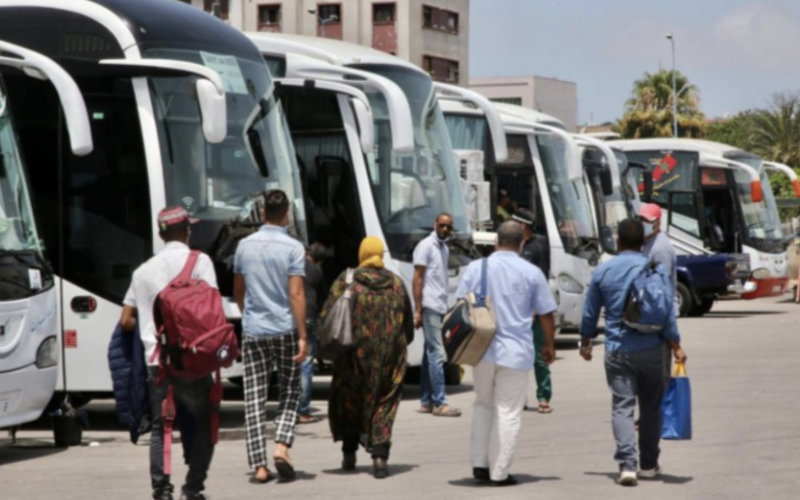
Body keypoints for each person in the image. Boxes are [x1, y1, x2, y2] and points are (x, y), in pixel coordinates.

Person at [579, 218, 687, 486]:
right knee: (651, 408)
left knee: (622, 407)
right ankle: (649, 465)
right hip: (653, 349)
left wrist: (585, 341)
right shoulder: (655, 270)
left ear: (618, 241)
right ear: (643, 242)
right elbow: (667, 314)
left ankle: (627, 465)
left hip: (618, 349)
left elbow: (590, 312)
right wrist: (676, 345)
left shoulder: (604, 271)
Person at [119, 206, 217, 500]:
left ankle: (162, 489)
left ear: (161, 234)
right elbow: (210, 310)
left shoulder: (141, 272)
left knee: (162, 426)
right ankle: (194, 486)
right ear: (187, 230)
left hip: (157, 362)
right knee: (203, 421)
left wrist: (151, 326)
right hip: (194, 360)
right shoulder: (200, 262)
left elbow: (125, 321)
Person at [456, 221, 558, 486]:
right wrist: (549, 345)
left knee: (482, 404)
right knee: (508, 411)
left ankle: (479, 464)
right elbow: (546, 313)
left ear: (495, 241)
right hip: (515, 352)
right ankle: (499, 472)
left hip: (480, 349)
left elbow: (459, 304)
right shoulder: (531, 272)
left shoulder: (475, 268)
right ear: (521, 242)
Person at [319, 236, 413, 479]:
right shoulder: (396, 284)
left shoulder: (347, 280)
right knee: (385, 403)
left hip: (353, 357)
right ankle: (380, 458)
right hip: (390, 358)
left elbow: (327, 315)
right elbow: (408, 327)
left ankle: (349, 452)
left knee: (351, 399)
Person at [233, 189, 308, 484]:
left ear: (263, 213)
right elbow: (296, 293)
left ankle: (260, 467)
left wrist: (247, 314)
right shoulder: (294, 247)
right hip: (285, 328)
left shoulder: (244, 246)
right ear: (286, 214)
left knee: (253, 397)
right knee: (290, 390)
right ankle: (281, 445)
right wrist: (303, 334)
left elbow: (239, 290)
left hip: (254, 329)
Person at [412, 213, 461, 417]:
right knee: (437, 354)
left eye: (448, 227)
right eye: (442, 226)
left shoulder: (444, 247)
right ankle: (440, 402)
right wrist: (417, 308)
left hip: (440, 305)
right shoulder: (425, 246)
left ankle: (426, 401)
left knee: (429, 353)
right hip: (430, 305)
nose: (445, 230)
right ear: (435, 225)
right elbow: (417, 278)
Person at [512, 208, 553, 414]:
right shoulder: (513, 245)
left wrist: (540, 307)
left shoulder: (538, 245)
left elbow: (542, 276)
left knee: (538, 355)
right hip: (515, 310)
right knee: (517, 357)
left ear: (524, 226)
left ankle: (544, 396)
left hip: (534, 310)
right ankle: (518, 397)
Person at [298, 242, 327, 424]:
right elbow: (322, 296)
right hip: (309, 317)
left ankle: (288, 410)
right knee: (306, 364)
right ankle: (303, 411)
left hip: (291, 316)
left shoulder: (295, 263)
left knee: (290, 363)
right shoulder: (317, 272)